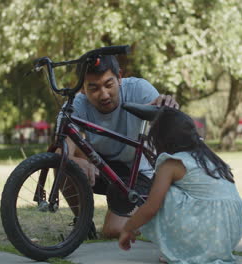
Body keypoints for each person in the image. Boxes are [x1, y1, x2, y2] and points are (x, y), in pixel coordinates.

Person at [61, 55, 179, 238]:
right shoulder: (76, 104)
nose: (104, 95)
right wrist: (75, 161)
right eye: (93, 88)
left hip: (136, 171)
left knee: (113, 231)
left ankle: (155, 216)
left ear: (120, 77)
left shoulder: (139, 89)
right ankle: (83, 224)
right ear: (82, 88)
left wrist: (170, 107)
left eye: (109, 85)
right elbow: (61, 148)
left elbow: (170, 124)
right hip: (101, 167)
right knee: (61, 163)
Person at [119, 107, 242, 263]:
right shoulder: (208, 157)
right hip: (230, 232)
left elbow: (151, 207)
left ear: (160, 139)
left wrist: (128, 227)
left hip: (210, 227)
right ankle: (200, 252)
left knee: (165, 194)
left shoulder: (171, 163)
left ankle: (183, 251)